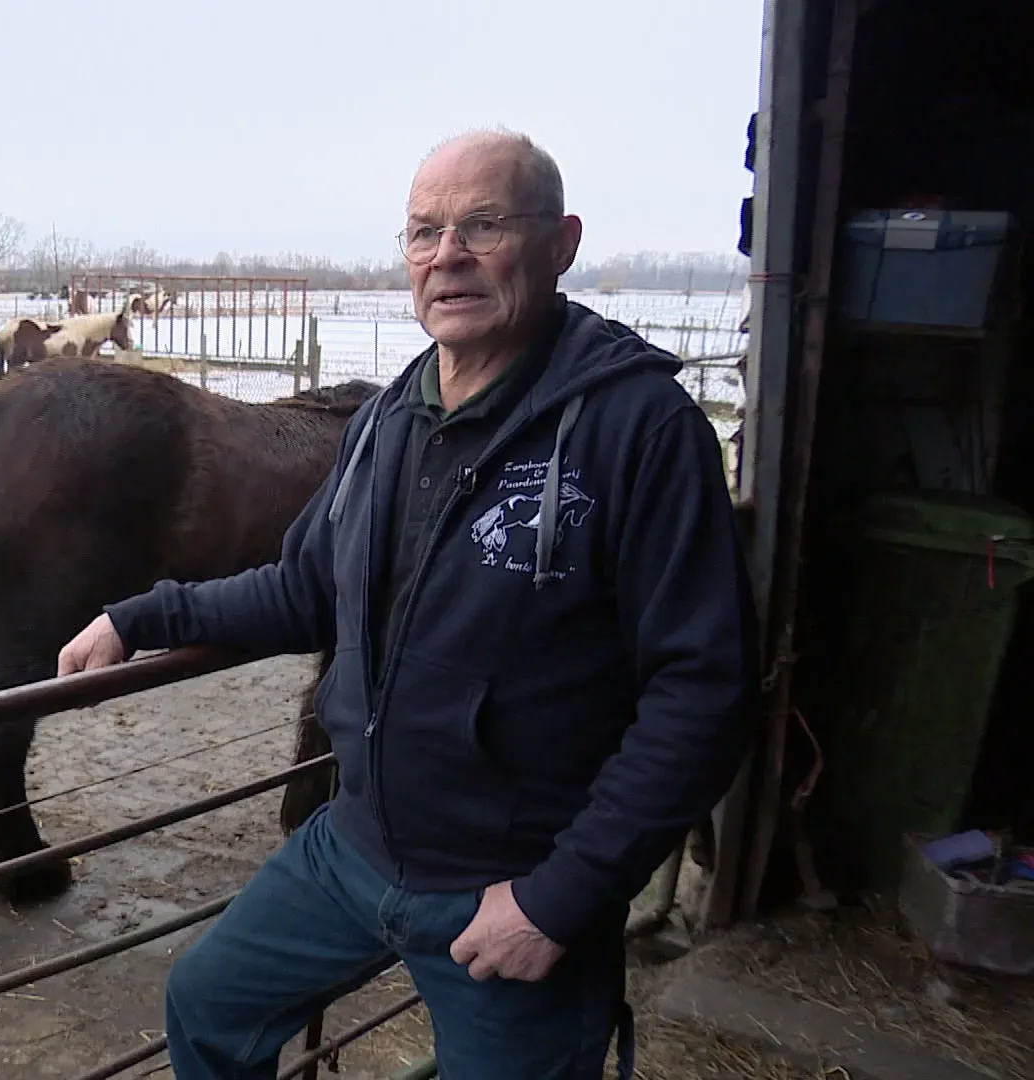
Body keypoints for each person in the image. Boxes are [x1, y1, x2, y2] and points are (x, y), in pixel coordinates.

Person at [56, 129, 762, 1079]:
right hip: (356, 849)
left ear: (561, 244)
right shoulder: (391, 418)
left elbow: (704, 689)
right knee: (207, 1004)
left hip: (515, 879)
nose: (448, 256)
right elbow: (308, 587)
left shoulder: (638, 430)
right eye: (424, 232)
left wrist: (564, 895)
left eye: (484, 224)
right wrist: (146, 616)